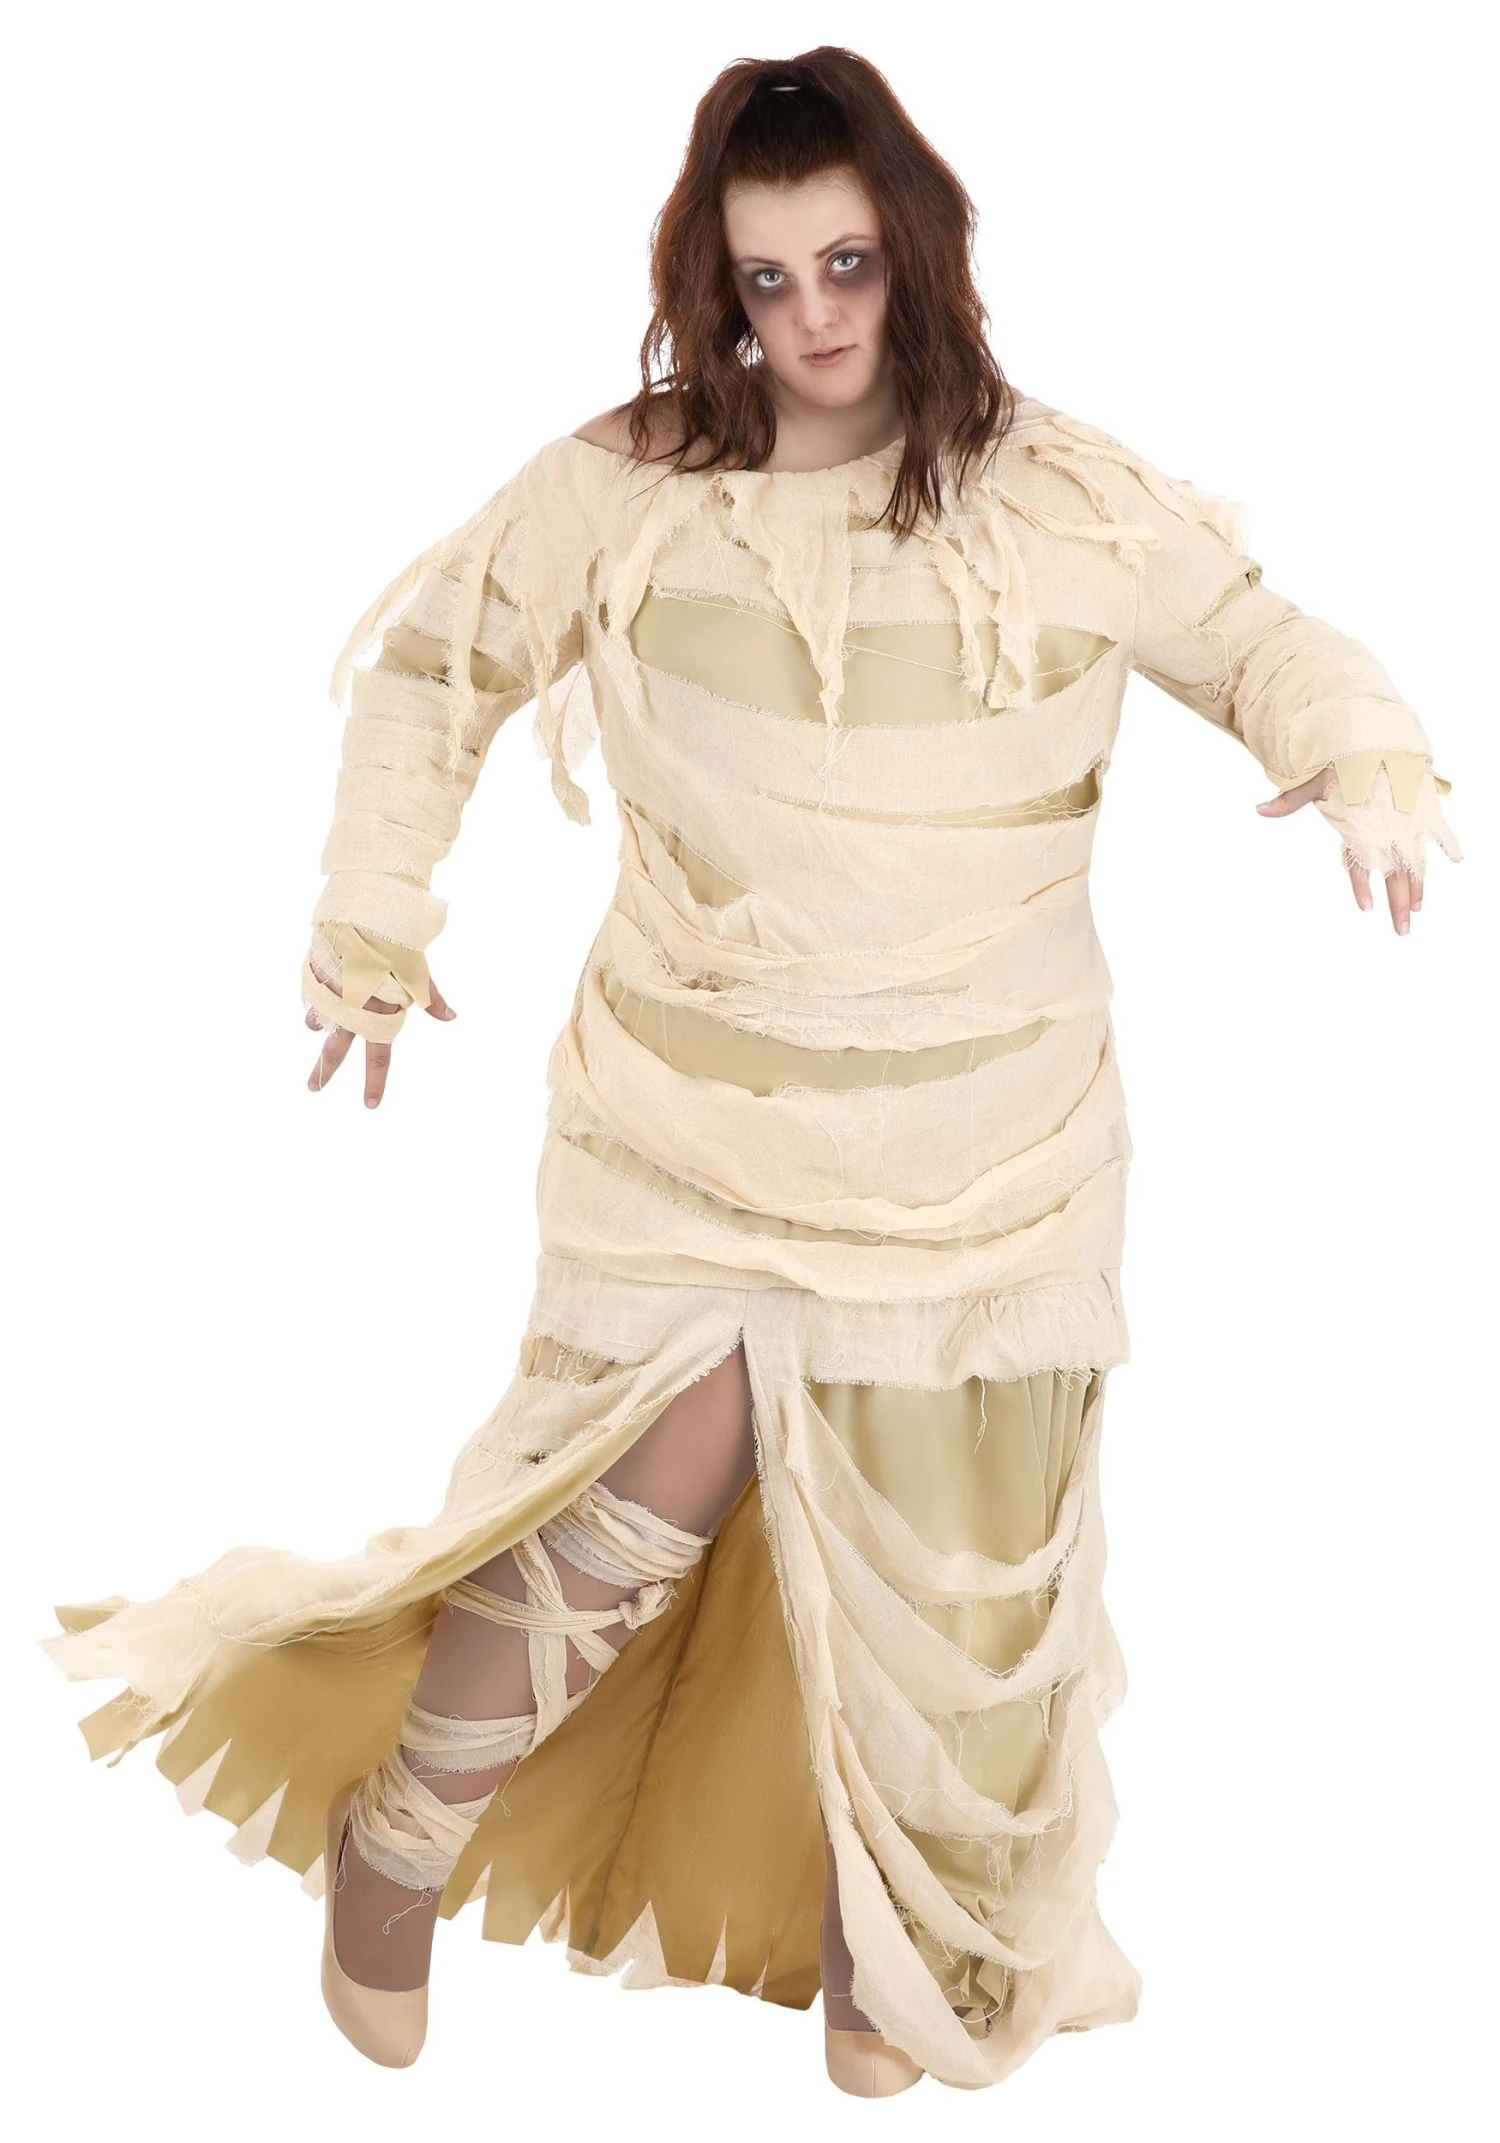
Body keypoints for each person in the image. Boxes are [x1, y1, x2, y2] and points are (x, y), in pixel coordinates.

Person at [42, 45, 1459, 2099]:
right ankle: (399, 1839)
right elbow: (438, 667)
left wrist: (1366, 748)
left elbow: (1260, 641)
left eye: (847, 264)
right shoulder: (628, 488)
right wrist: (372, 919)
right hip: (695, 1130)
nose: (809, 317)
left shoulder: (1062, 498)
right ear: (712, 283)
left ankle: (893, 1957)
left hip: (990, 1157)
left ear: (920, 252)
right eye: (766, 277)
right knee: (627, 1504)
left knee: (952, 1600)